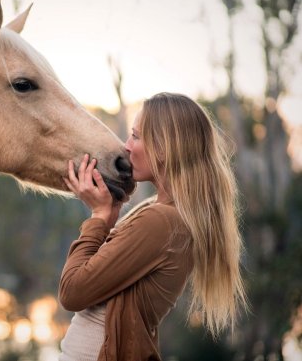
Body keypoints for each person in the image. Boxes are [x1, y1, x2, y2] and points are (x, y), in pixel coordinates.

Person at [58, 92, 247, 361]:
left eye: (136, 136)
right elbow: (102, 278)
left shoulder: (162, 221)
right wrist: (108, 219)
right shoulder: (159, 213)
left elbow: (72, 292)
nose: (126, 145)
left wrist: (98, 216)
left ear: (164, 147)